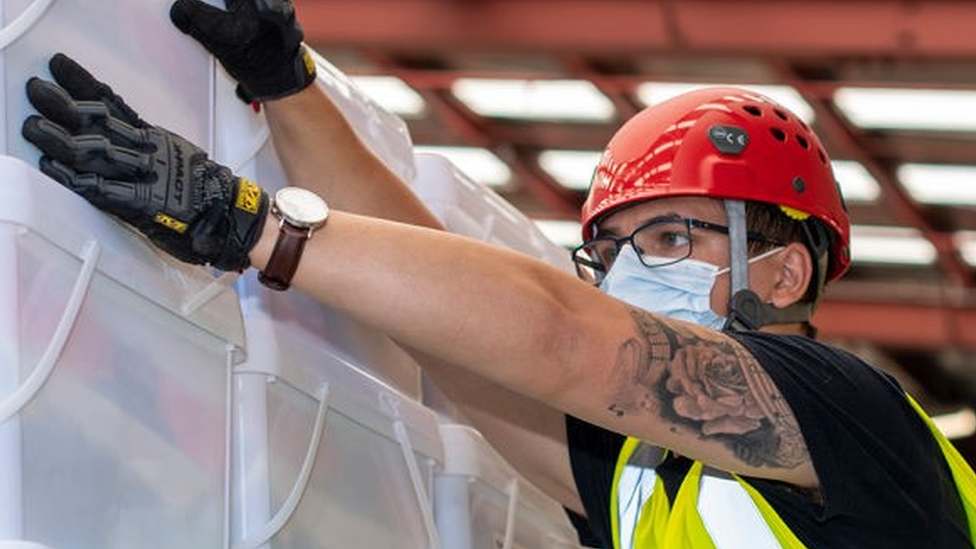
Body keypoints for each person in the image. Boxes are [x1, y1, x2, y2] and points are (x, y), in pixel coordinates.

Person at [19, 1, 976, 547]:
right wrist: (289, 85)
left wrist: (256, 226)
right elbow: (458, 331)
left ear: (787, 270)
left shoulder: (853, 417)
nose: (632, 276)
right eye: (610, 255)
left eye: (675, 240)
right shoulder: (650, 481)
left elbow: (558, 335)